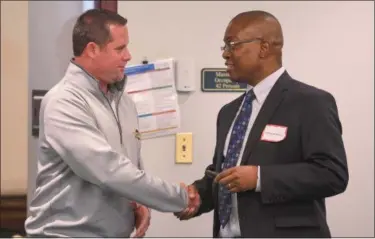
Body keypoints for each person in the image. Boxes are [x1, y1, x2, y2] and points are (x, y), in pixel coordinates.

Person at [25, 9, 198, 238]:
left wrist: (137, 202)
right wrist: (181, 197)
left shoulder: (125, 103)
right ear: (92, 50)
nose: (128, 55)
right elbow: (108, 170)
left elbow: (129, 167)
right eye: (120, 48)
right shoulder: (64, 101)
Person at [175, 10, 349, 238]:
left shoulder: (311, 103)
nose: (226, 54)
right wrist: (197, 196)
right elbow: (225, 175)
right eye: (224, 47)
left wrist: (260, 178)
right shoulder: (228, 113)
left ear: (264, 48)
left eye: (232, 44)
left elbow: (332, 174)